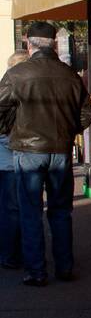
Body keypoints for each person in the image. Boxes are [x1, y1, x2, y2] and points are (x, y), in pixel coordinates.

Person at [0, 23, 91, 286]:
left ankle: (36, 270)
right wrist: (67, 130)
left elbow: (0, 109)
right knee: (61, 210)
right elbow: (86, 114)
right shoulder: (70, 75)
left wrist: (11, 130)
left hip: (28, 150)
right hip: (60, 149)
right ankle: (64, 266)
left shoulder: (17, 74)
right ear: (53, 44)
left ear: (29, 44)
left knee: (30, 211)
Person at [0, 50, 28, 270]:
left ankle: (10, 252)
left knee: (9, 207)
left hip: (7, 154)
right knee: (19, 206)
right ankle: (16, 252)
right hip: (21, 153)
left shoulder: (7, 87)